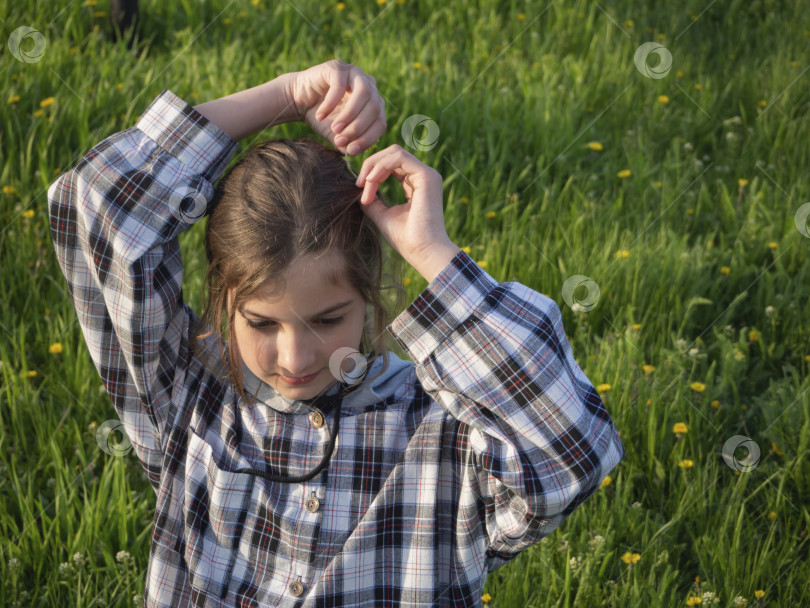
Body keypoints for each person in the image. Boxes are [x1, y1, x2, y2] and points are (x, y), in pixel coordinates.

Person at [48, 60, 625, 607]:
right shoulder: (186, 396)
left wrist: (433, 253)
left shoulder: (437, 433)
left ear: (371, 293)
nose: (295, 357)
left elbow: (571, 451)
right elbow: (96, 203)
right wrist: (286, 96)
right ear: (223, 299)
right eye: (261, 323)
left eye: (327, 320)